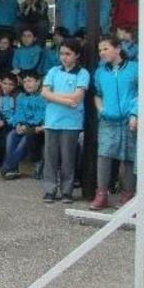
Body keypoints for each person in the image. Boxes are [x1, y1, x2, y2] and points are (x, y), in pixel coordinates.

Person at [90, 38, 138, 210]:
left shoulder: (134, 68)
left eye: (106, 48)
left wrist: (135, 113)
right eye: (100, 50)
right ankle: (101, 194)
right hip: (108, 120)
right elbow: (97, 94)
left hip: (129, 120)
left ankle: (128, 196)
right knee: (104, 156)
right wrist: (101, 110)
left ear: (117, 48)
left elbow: (141, 93)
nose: (102, 52)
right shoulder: (100, 72)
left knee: (129, 158)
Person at [41, 39, 90, 204]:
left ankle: (67, 191)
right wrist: (66, 100)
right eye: (62, 53)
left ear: (76, 55)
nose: (64, 57)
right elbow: (44, 93)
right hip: (52, 121)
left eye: (68, 54)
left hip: (71, 123)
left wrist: (54, 96)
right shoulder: (53, 71)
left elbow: (78, 97)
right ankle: (49, 189)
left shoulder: (82, 73)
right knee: (50, 158)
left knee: (68, 158)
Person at [0, 71, 46, 179]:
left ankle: (8, 166)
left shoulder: (43, 96)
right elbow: (18, 113)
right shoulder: (21, 96)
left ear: (38, 82)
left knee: (25, 139)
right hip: (24, 125)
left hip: (38, 128)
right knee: (11, 135)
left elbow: (42, 115)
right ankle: (13, 168)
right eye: (24, 82)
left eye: (30, 81)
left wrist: (28, 125)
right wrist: (19, 124)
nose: (27, 84)